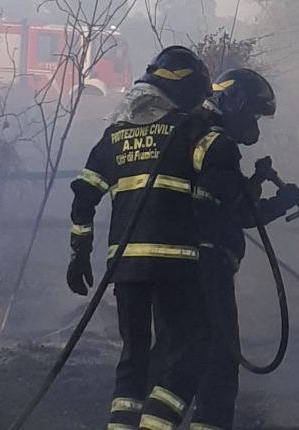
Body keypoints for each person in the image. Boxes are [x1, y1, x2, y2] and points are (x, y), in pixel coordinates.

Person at [66, 45, 213, 430]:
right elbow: (219, 190)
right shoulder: (191, 131)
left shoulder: (115, 136)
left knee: (134, 355)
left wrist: (80, 251)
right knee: (187, 349)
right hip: (175, 264)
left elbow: (85, 192)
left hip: (126, 267)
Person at [186, 68, 299, 430]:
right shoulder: (219, 144)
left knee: (184, 358)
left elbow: (228, 201)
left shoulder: (197, 136)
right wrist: (282, 201)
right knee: (220, 365)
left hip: (185, 265)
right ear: (235, 103)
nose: (253, 124)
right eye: (253, 114)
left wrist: (257, 181)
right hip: (209, 267)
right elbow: (239, 213)